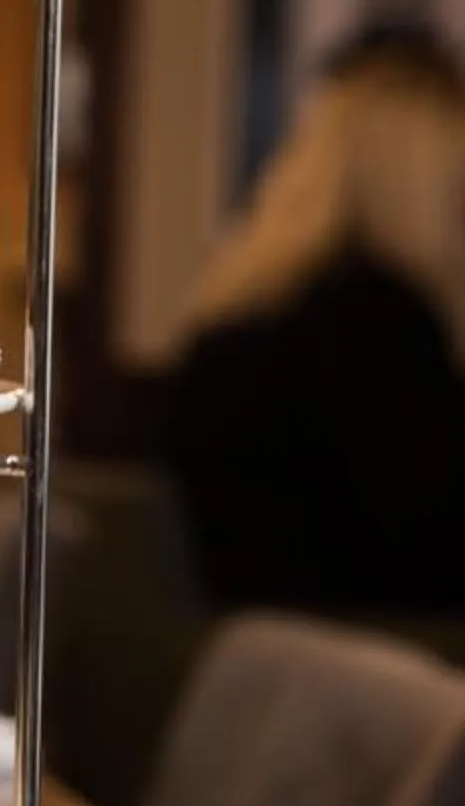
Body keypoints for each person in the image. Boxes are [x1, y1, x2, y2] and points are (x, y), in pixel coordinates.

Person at [165, 34, 465, 613]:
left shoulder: (244, 303)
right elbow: (430, 545)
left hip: (254, 658)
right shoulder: (377, 320)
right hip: (373, 665)